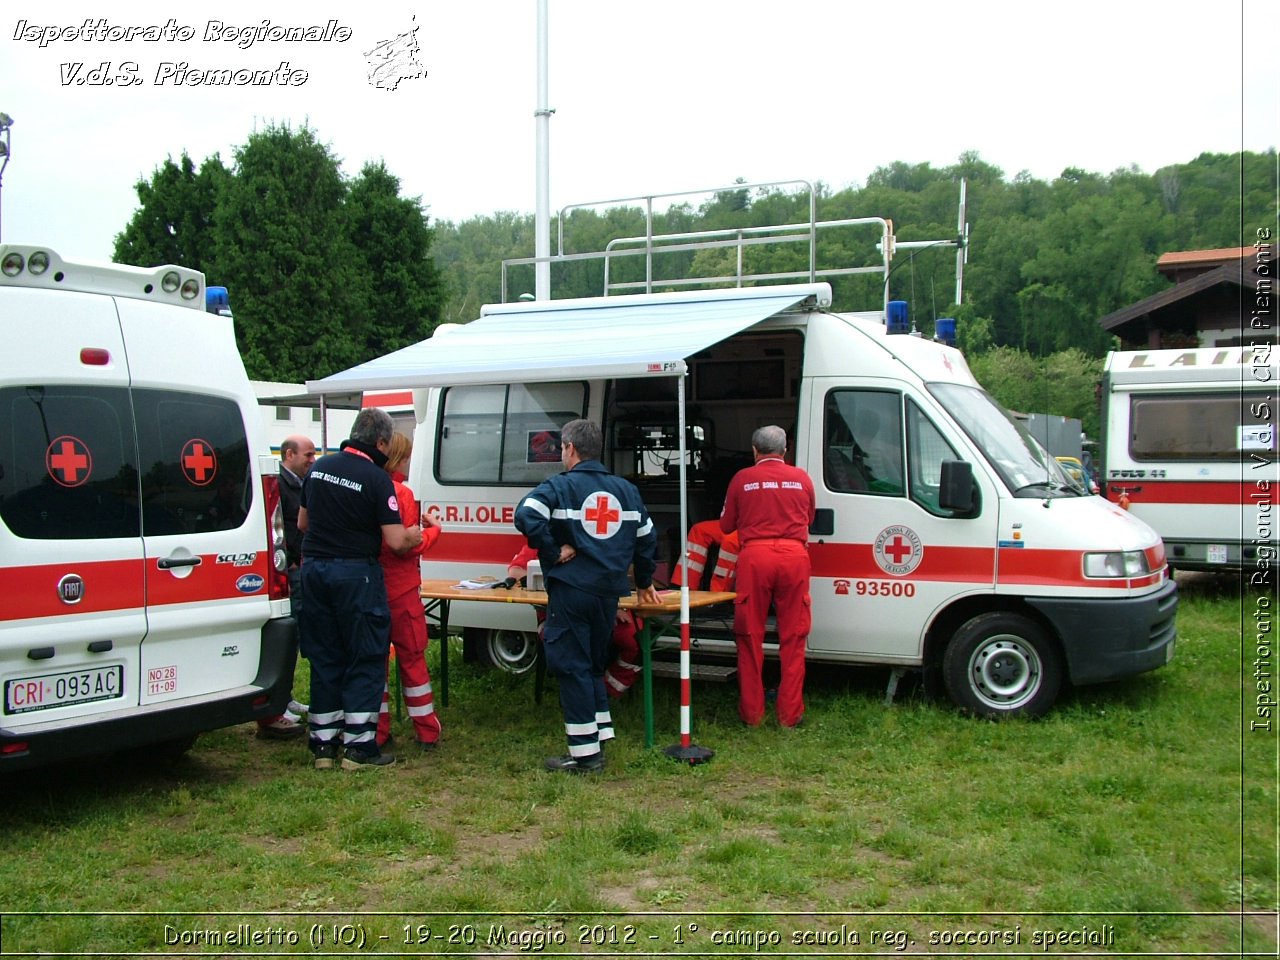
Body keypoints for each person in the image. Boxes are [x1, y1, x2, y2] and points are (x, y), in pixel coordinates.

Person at [514, 419, 660, 773]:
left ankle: (584, 755)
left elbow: (525, 515)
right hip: (609, 594)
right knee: (592, 664)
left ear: (570, 448)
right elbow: (647, 538)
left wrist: (550, 551)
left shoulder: (560, 487)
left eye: (562, 448)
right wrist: (643, 580)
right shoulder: (626, 491)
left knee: (571, 666)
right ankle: (598, 733)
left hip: (572, 590)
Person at [298, 409, 422, 770]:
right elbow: (396, 541)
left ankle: (323, 745)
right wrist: (416, 534)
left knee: (325, 656)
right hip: (355, 574)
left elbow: (304, 522)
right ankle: (359, 748)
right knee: (365, 655)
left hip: (314, 570)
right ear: (381, 443)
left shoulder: (318, 467)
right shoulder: (376, 478)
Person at [719, 424, 816, 728]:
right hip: (794, 557)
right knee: (794, 637)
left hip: (755, 558)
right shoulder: (802, 478)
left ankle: (752, 715)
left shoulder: (742, 479)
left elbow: (725, 526)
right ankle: (790, 715)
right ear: (785, 450)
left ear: (754, 450)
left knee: (749, 636)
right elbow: (809, 517)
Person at [375, 434, 444, 751]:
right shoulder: (401, 493)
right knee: (413, 661)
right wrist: (434, 531)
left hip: (372, 589)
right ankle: (426, 731)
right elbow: (407, 547)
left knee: (375, 665)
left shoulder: (369, 487)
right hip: (402, 591)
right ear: (400, 457)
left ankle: (378, 731)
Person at [507, 545, 646, 699]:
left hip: (600, 609)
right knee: (574, 643)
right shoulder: (542, 539)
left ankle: (605, 691)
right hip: (552, 617)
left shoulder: (590, 540)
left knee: (635, 641)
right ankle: (580, 693)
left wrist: (614, 607)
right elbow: (515, 571)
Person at [257, 434, 318, 740]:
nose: (312, 459)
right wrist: (291, 561)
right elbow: (281, 525)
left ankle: (285, 696)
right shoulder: (280, 483)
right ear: (289, 454)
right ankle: (277, 704)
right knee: (286, 634)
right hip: (289, 569)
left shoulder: (299, 482)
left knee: (292, 637)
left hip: (297, 566)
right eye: (307, 455)